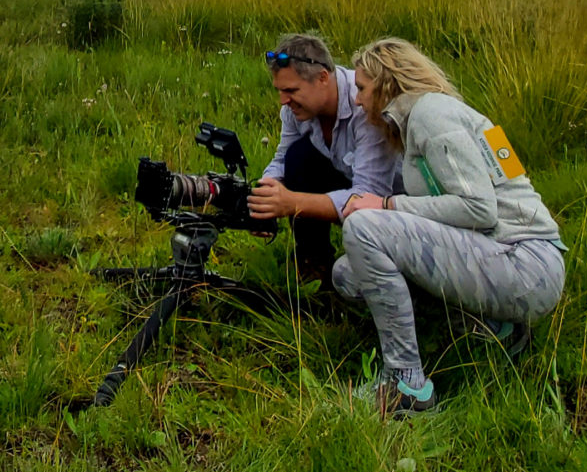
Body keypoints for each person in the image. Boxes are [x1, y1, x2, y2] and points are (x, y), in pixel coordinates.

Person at [332, 37, 566, 417]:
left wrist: (388, 205)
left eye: (362, 88)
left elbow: (479, 208)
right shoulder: (425, 118)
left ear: (388, 83)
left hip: (526, 263)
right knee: (349, 274)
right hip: (503, 257)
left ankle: (407, 386)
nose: (357, 100)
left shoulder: (431, 115)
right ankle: (494, 330)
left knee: (363, 228)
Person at [242, 33, 399, 290]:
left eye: (291, 91)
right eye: (280, 91)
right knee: (298, 156)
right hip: (349, 179)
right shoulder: (296, 109)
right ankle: (313, 267)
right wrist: (265, 193)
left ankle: (350, 279)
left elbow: (369, 197)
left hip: (394, 203)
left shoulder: (365, 106)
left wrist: (291, 203)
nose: (283, 101)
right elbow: (283, 157)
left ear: (323, 78)